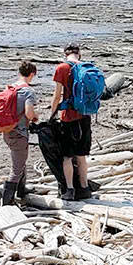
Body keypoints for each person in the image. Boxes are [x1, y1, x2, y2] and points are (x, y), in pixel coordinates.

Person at [51, 44, 92, 201]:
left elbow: (57, 96)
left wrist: (52, 114)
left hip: (68, 117)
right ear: (79, 54)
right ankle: (85, 188)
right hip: (85, 115)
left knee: (67, 156)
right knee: (81, 156)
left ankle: (69, 189)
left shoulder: (62, 68)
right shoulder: (86, 67)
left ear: (65, 54)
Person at [3, 61, 39, 206]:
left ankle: (21, 190)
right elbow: (29, 113)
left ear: (19, 73)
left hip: (7, 130)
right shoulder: (28, 91)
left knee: (20, 161)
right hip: (19, 132)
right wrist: (35, 116)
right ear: (32, 74)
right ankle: (7, 202)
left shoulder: (9, 87)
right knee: (17, 168)